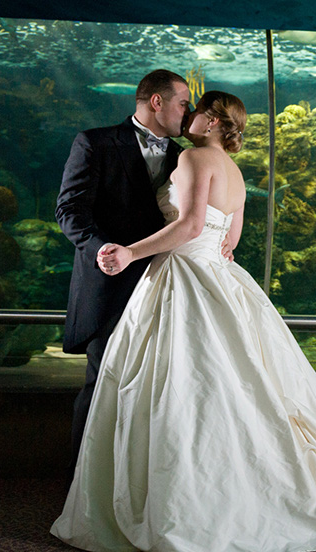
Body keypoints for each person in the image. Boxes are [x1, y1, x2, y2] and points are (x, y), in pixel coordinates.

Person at [51, 91, 316, 551]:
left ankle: (185, 502)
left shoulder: (196, 158)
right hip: (220, 278)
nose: (191, 116)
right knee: (237, 383)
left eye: (198, 110)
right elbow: (230, 239)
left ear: (215, 121)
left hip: (181, 275)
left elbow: (191, 227)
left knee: (179, 388)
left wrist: (129, 253)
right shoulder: (237, 173)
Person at [56, 69, 204, 475]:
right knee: (103, 382)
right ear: (157, 102)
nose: (186, 112)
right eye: (182, 103)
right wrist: (101, 248)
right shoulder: (95, 142)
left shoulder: (185, 156)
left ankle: (144, 487)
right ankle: (81, 489)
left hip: (169, 288)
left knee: (163, 389)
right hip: (111, 284)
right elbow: (69, 211)